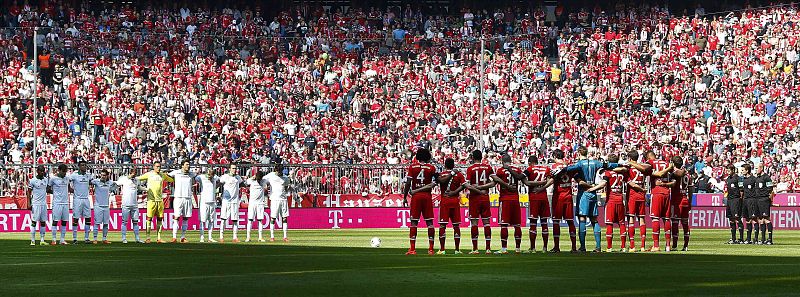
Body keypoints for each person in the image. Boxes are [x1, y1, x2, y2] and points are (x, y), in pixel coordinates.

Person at [563, 146, 621, 253]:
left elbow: (567, 169)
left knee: (582, 219)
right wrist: (621, 164)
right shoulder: (596, 163)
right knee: (594, 220)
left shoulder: (579, 164)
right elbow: (608, 165)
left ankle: (582, 247)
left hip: (584, 193)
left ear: (579, 153)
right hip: (594, 192)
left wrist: (562, 168)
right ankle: (598, 247)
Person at [534, 149, 577, 253]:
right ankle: (574, 247)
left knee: (556, 222)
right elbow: (576, 177)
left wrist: (541, 188)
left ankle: (557, 247)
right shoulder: (569, 166)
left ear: (554, 155)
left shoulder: (553, 167)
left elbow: (552, 180)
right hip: (568, 196)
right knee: (571, 221)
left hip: (558, 196)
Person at [402, 148, 438, 255]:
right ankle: (431, 249)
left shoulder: (412, 167)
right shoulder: (431, 168)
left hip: (416, 197)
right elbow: (436, 181)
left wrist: (405, 196)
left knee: (414, 222)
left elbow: (408, 182)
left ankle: (412, 249)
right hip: (427, 196)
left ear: (417, 156)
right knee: (430, 223)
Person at [492, 154, 526, 254]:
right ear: (511, 161)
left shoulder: (500, 170)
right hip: (515, 199)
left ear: (502, 161)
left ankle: (504, 249)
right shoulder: (517, 169)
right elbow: (523, 180)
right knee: (517, 225)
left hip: (505, 199)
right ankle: (518, 248)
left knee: (504, 225)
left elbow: (494, 183)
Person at [464, 150, 494, 254]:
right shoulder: (488, 167)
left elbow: (467, 185)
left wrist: (478, 189)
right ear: (481, 157)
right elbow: (494, 182)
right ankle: (488, 249)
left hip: (474, 198)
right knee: (486, 223)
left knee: (474, 223)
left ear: (472, 157)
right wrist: (483, 188)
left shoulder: (470, 169)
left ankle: (475, 249)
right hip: (485, 197)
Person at [136, 162, 175, 243]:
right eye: (157, 166)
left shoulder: (162, 175)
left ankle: (159, 238)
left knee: (160, 218)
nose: (158, 168)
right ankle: (148, 237)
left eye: (159, 167)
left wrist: (171, 176)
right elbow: (138, 178)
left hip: (160, 200)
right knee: (149, 218)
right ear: (153, 167)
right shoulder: (149, 174)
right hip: (151, 200)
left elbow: (171, 180)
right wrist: (141, 188)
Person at [645, 150, 675, 252]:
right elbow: (674, 176)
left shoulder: (650, 163)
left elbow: (650, 172)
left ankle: (656, 245)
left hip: (656, 192)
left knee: (655, 218)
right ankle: (667, 246)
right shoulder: (666, 163)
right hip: (667, 192)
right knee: (667, 219)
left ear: (648, 157)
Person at [435, 158, 466, 255]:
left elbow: (441, 182)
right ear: (453, 165)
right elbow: (464, 185)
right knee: (456, 225)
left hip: (445, 201)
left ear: (445, 165)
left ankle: (442, 249)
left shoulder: (442, 174)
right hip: (455, 201)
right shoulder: (459, 174)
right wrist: (455, 192)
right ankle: (457, 250)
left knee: (442, 225)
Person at [599, 154, 628, 252]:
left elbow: (603, 183)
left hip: (611, 200)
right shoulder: (621, 173)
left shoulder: (608, 173)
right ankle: (623, 247)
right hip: (620, 199)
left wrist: (592, 188)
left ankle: (609, 247)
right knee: (622, 223)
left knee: (609, 224)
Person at [625, 150, 652, 252]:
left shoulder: (628, 168)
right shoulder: (643, 167)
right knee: (642, 219)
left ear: (630, 158)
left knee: (631, 219)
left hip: (632, 195)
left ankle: (632, 246)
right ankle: (642, 246)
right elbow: (648, 168)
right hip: (641, 196)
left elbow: (630, 183)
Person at [523, 155, 551, 253]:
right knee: (544, 223)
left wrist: (533, 184)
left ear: (530, 162)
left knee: (533, 223)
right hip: (544, 197)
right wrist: (543, 185)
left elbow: (526, 182)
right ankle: (545, 248)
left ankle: (533, 248)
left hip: (534, 197)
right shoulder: (546, 168)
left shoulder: (529, 169)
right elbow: (551, 180)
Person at [169, 161, 197, 243]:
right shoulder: (176, 172)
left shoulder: (191, 174)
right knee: (176, 217)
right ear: (182, 166)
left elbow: (197, 177)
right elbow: (167, 176)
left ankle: (183, 237)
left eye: (189, 165)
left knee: (185, 218)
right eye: (186, 164)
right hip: (178, 197)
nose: (188, 166)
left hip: (188, 197)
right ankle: (174, 237)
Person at [264, 164, 294, 242]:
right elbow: (263, 180)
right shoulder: (270, 175)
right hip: (274, 199)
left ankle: (285, 236)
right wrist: (265, 186)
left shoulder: (285, 178)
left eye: (281, 171)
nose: (280, 172)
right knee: (273, 218)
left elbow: (287, 187)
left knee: (284, 218)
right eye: (279, 171)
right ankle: (272, 236)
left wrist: (285, 191)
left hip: (283, 200)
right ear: (275, 170)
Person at [669, 156, 693, 251]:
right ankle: (686, 246)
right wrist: (690, 201)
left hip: (676, 200)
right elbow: (691, 189)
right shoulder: (688, 175)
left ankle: (674, 246)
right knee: (685, 223)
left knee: (675, 223)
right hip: (685, 199)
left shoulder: (675, 174)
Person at [69, 161, 95, 244]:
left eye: (85, 165)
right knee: (76, 218)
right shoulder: (74, 175)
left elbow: (92, 182)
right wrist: (70, 190)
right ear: (79, 167)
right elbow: (67, 182)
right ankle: (75, 238)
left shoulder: (88, 175)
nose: (84, 167)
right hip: (77, 199)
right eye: (83, 165)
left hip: (86, 199)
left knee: (88, 218)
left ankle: (86, 238)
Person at [219, 164, 245, 243]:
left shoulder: (238, 177)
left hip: (235, 201)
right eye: (233, 168)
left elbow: (242, 183)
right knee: (223, 219)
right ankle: (221, 236)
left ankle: (235, 237)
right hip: (226, 201)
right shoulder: (225, 176)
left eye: (235, 168)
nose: (234, 170)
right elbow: (219, 182)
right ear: (229, 169)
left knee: (235, 220)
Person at [90, 170, 116, 244]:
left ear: (107, 176)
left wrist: (113, 189)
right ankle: (95, 239)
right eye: (101, 175)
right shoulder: (96, 181)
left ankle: (104, 238)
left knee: (105, 223)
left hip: (106, 206)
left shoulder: (110, 183)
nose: (102, 176)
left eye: (104, 175)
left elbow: (115, 186)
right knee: (97, 223)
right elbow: (89, 181)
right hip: (98, 206)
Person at [116, 169, 142, 244]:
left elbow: (139, 187)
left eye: (135, 174)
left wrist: (147, 189)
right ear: (130, 173)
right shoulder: (124, 179)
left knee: (136, 222)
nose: (134, 175)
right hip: (126, 204)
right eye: (133, 174)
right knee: (124, 222)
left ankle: (137, 238)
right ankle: (124, 238)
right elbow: (117, 183)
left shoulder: (137, 180)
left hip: (134, 205)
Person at [48, 164, 71, 245]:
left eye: (66, 171)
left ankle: (62, 240)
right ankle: (54, 240)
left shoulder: (67, 178)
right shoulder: (53, 179)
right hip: (57, 203)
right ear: (59, 170)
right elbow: (48, 189)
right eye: (64, 171)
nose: (65, 173)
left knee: (64, 221)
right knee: (55, 221)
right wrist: (55, 192)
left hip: (65, 202)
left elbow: (69, 188)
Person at [196, 168, 220, 243]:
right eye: (209, 174)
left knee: (211, 221)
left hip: (212, 201)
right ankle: (202, 237)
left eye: (212, 174)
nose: (210, 176)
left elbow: (220, 180)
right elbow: (196, 178)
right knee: (202, 220)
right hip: (204, 202)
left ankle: (210, 237)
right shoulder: (202, 177)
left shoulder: (215, 178)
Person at [27, 166, 49, 246]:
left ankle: (42, 240)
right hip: (35, 204)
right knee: (34, 222)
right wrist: (29, 203)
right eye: (41, 171)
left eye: (43, 171)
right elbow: (28, 192)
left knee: (43, 222)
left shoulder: (46, 180)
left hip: (43, 204)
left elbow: (47, 190)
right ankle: (32, 241)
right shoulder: (33, 180)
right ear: (37, 171)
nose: (42, 172)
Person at [754, 164, 774, 245]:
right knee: (761, 220)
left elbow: (770, 189)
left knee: (766, 219)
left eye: (757, 168)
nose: (756, 170)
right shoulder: (757, 178)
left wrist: (767, 198)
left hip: (764, 200)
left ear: (761, 168)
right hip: (757, 200)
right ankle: (762, 239)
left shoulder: (766, 177)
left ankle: (770, 239)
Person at [724, 166, 744, 244]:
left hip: (736, 200)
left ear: (733, 170)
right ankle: (733, 238)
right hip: (729, 200)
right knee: (731, 219)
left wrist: (740, 199)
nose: (728, 171)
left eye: (729, 170)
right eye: (727, 170)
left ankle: (741, 238)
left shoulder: (738, 179)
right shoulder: (728, 179)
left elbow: (741, 190)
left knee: (737, 218)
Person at [245, 171, 267, 242]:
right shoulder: (251, 181)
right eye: (258, 178)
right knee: (250, 220)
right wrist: (252, 177)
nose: (259, 180)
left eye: (260, 178)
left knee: (260, 220)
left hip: (260, 203)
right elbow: (246, 181)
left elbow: (268, 180)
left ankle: (260, 237)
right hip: (252, 203)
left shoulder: (263, 181)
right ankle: (248, 237)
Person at [741, 164, 758, 244]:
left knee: (754, 219)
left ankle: (756, 238)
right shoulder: (743, 180)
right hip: (745, 200)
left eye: (743, 170)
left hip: (752, 200)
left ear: (747, 170)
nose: (742, 171)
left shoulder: (754, 179)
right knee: (747, 219)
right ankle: (748, 239)